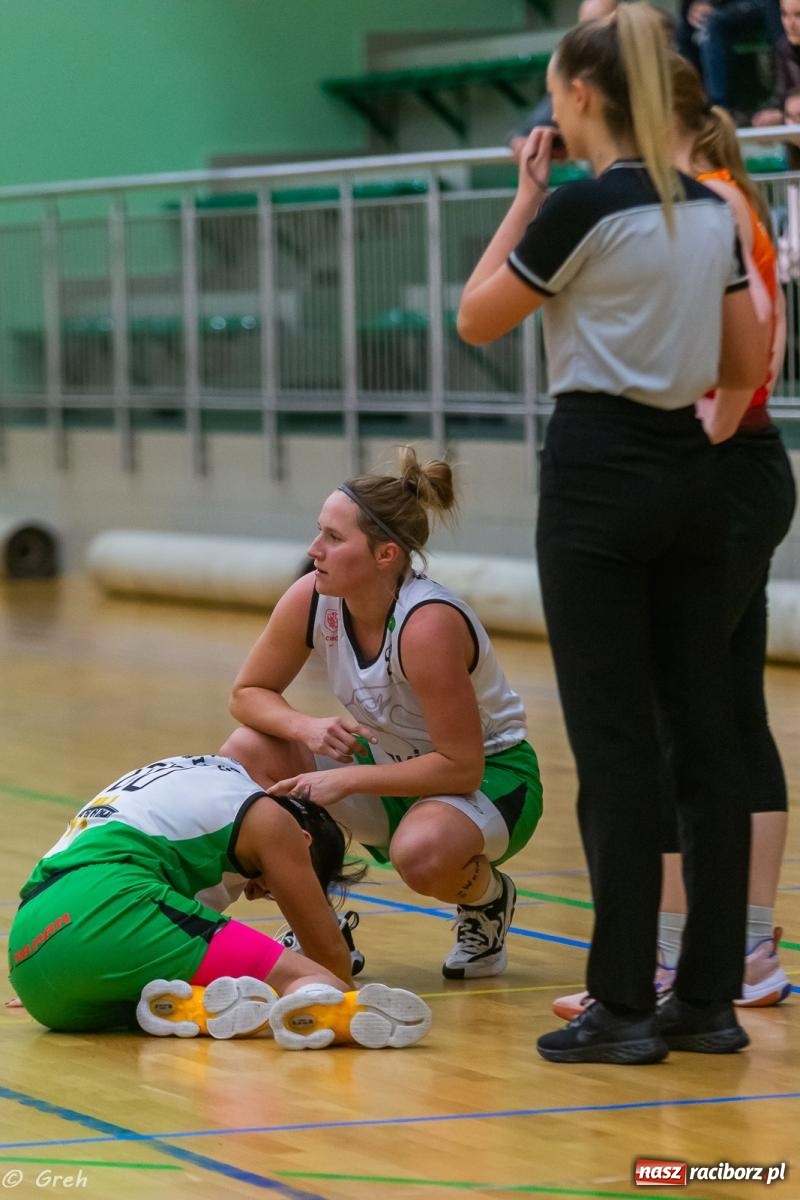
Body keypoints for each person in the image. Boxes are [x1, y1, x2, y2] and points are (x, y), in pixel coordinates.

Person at [458, 3, 768, 1064]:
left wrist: (523, 199)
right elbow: (738, 367)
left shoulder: (581, 209)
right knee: (706, 741)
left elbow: (476, 317)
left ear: (580, 98)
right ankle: (707, 1002)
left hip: (594, 477)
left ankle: (622, 1008)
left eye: (554, 91)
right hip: (693, 481)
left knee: (615, 745)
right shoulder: (713, 210)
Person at [552, 52, 796, 1025]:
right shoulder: (709, 202)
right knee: (725, 707)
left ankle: (673, 959)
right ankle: (742, 953)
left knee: (672, 713)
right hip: (738, 468)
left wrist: (685, 446)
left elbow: (748, 361)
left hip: (718, 466)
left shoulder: (702, 206)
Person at [219, 447, 543, 981]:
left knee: (421, 855)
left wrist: (346, 780)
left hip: (490, 777)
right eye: (318, 531)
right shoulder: (312, 597)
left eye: (333, 537)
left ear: (385, 555)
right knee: (245, 753)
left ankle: (486, 900)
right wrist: (308, 727)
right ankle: (319, 927)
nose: (313, 548)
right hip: (386, 764)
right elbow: (248, 693)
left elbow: (461, 766)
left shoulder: (427, 624)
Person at [7, 754, 432, 1049]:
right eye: (273, 885)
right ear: (301, 842)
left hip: (34, 961)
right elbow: (331, 960)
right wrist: (327, 979)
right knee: (319, 983)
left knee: (212, 975)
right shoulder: (275, 822)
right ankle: (328, 1020)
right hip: (109, 904)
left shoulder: (213, 777)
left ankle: (185, 1008)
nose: (254, 892)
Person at [508, 0, 619, 161]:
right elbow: (534, 126)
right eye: (583, 28)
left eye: (599, 27)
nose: (589, 37)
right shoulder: (579, 72)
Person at [677, 0, 782, 115]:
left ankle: (718, 108)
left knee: (713, 23)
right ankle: (691, 104)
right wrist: (695, 4)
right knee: (684, 30)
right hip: (723, 7)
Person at [751, 0, 800, 126]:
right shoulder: (783, 48)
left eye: (798, 15)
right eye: (784, 14)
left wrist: (783, 117)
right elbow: (780, 96)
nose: (790, 23)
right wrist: (768, 114)